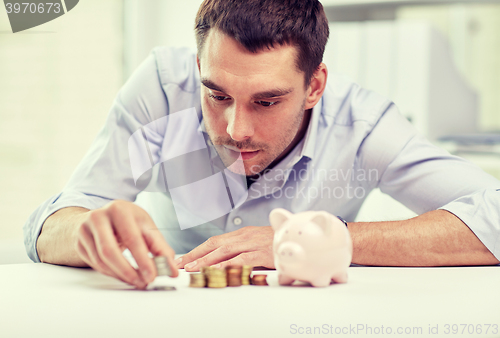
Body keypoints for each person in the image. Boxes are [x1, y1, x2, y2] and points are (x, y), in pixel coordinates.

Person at [25, 0, 500, 289]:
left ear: (315, 86)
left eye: (267, 101)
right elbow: (53, 222)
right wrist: (83, 232)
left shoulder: (364, 125)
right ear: (198, 66)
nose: (235, 129)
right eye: (217, 95)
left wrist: (332, 240)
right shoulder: (161, 88)